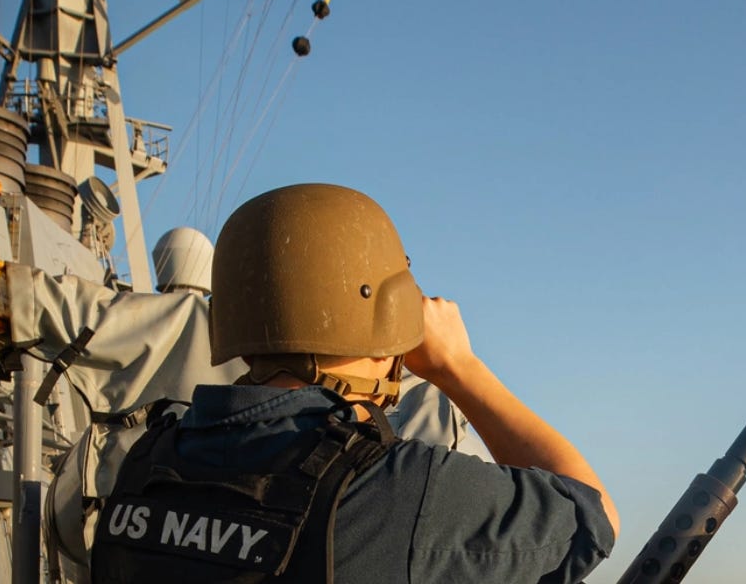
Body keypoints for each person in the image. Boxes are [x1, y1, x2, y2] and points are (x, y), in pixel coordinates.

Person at [89, 183, 618, 583]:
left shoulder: (144, 465)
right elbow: (593, 515)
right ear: (383, 316)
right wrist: (459, 367)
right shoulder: (399, 490)